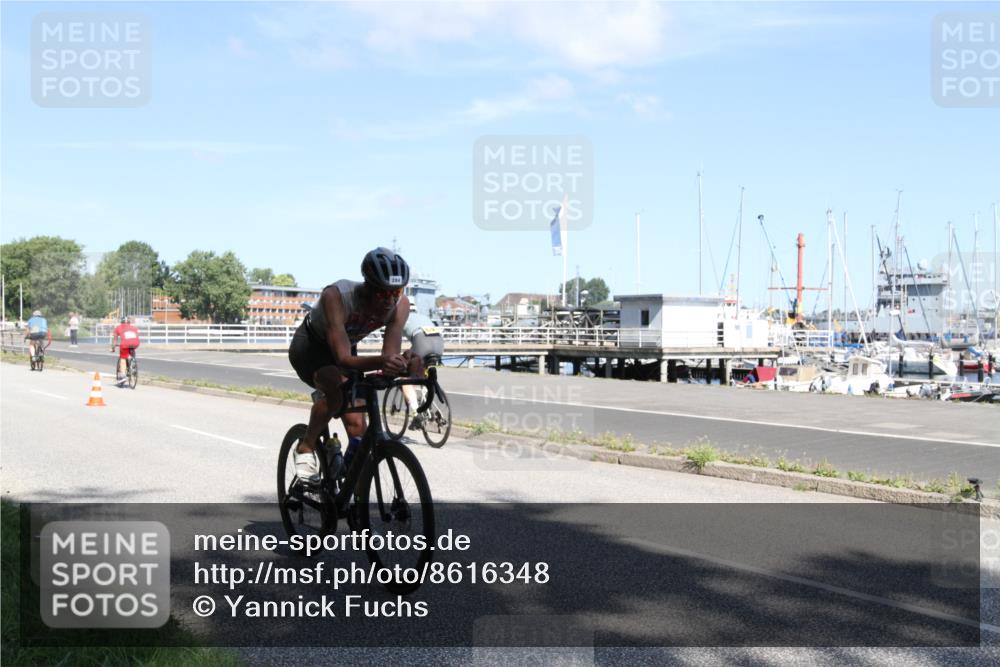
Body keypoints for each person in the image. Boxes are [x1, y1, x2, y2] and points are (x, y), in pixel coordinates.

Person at [288, 247, 416, 480]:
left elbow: (389, 355)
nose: (390, 300)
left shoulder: (400, 305)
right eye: (383, 294)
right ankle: (305, 447)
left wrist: (402, 364)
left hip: (346, 346)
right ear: (368, 286)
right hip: (311, 347)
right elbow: (343, 359)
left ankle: (353, 491)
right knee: (336, 390)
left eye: (396, 292)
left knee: (357, 423)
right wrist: (384, 361)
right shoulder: (337, 296)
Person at [400, 311, 444, 429]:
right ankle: (427, 402)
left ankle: (416, 414)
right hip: (439, 343)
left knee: (405, 379)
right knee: (424, 373)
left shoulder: (402, 316)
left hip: (422, 341)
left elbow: (395, 343)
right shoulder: (422, 316)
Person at [111, 316, 141, 382]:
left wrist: (113, 348)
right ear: (129, 322)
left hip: (125, 344)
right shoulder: (134, 328)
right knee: (131, 349)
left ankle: (123, 376)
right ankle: (132, 362)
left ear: (121, 322)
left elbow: (115, 340)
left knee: (123, 358)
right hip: (136, 343)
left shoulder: (118, 328)